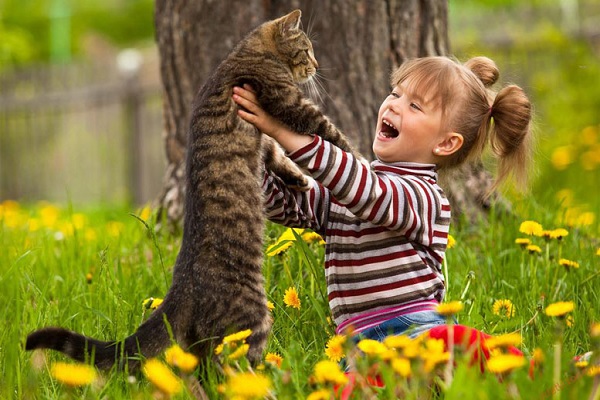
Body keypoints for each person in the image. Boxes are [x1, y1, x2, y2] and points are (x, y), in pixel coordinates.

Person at [232, 55, 533, 343]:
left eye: (414, 105)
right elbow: (287, 203)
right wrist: (245, 153)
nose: (394, 106)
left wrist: (284, 133)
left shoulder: (424, 197)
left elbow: (368, 194)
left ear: (446, 143)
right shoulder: (349, 188)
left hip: (418, 331)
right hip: (358, 344)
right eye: (395, 93)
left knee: (459, 345)